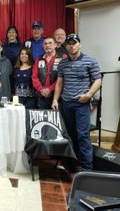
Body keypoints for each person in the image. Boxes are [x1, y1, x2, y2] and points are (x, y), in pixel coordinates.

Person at [52, 34, 102, 171]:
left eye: (74, 43)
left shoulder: (90, 61)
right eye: (69, 43)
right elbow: (59, 83)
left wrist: (89, 95)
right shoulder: (63, 63)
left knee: (83, 135)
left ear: (80, 45)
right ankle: (72, 164)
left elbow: (98, 80)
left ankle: (87, 169)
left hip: (81, 105)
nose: (72, 46)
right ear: (66, 46)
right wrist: (55, 99)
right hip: (66, 104)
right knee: (69, 135)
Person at [32, 37, 62, 109]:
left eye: (50, 43)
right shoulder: (39, 59)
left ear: (55, 45)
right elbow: (34, 77)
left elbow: (62, 78)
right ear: (43, 46)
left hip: (58, 97)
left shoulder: (62, 58)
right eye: (45, 44)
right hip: (42, 96)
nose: (47, 45)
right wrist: (41, 90)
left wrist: (49, 89)